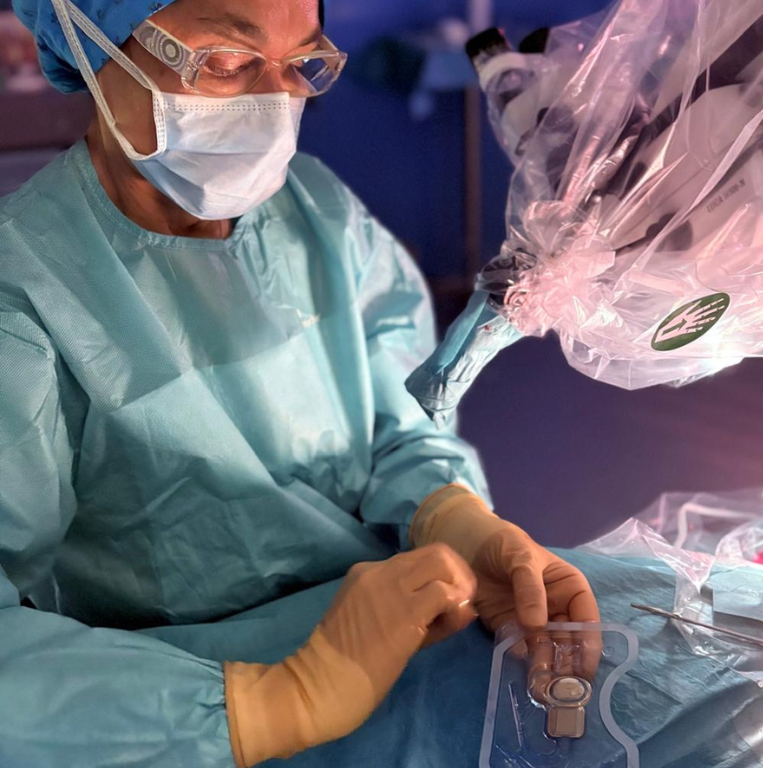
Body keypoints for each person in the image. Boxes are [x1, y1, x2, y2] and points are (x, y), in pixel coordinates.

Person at [0, 0, 600, 765]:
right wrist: (272, 704)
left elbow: (394, 421)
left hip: (408, 640)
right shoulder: (24, 294)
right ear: (91, 42)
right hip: (162, 718)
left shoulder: (314, 212)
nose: (271, 102)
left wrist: (449, 515)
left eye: (303, 65)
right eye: (225, 62)